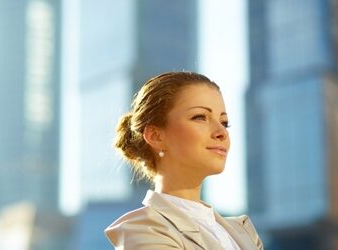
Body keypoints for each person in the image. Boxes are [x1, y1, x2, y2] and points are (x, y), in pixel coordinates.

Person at [105, 72, 263, 249]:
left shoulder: (244, 232)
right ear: (155, 136)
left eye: (224, 122)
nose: (222, 132)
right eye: (200, 117)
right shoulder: (143, 230)